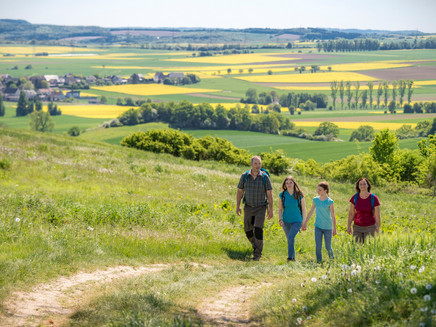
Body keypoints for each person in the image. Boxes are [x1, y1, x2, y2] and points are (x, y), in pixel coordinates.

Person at [236, 156, 273, 261]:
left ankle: (257, 254)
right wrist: (238, 206)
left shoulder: (265, 177)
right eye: (256, 163)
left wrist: (271, 208)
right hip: (248, 207)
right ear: (251, 164)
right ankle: (255, 245)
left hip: (261, 207)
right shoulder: (245, 176)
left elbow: (269, 194)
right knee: (247, 229)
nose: (257, 166)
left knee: (258, 229)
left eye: (259, 164)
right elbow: (240, 191)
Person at [302, 181, 336, 263]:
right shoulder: (315, 200)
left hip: (328, 227)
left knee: (328, 246)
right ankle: (319, 261)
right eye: (318, 190)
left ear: (325, 191)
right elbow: (311, 211)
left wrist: (334, 228)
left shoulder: (330, 202)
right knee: (318, 246)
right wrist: (305, 222)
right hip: (318, 226)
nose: (318, 191)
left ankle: (332, 260)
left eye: (320, 190)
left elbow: (333, 215)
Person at [278, 176, 306, 262]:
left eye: (291, 182)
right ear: (285, 185)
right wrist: (280, 219)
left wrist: (304, 222)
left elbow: (304, 208)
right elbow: (279, 209)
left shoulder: (299, 194)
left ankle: (290, 258)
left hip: (297, 220)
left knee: (290, 237)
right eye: (287, 183)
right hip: (286, 221)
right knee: (290, 239)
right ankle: (293, 258)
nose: (289, 184)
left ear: (294, 183)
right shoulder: (282, 195)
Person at [347, 177, 381, 243]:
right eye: (361, 184)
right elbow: (351, 213)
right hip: (357, 227)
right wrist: (348, 226)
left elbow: (377, 215)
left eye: (364, 184)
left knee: (368, 248)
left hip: (370, 227)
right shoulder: (355, 197)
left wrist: (378, 228)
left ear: (368, 185)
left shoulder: (373, 198)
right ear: (358, 186)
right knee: (357, 248)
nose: (363, 186)